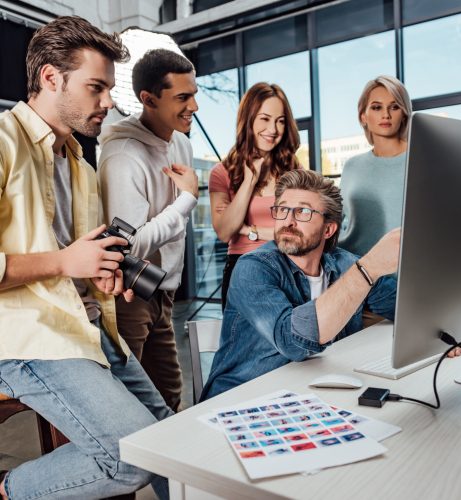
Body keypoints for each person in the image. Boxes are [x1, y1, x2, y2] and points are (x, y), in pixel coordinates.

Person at [0, 17, 171, 499]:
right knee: (128, 457)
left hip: (86, 325)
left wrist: (100, 274)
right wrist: (63, 263)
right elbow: (63, 261)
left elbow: (80, 261)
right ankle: (11, 491)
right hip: (25, 338)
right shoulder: (3, 143)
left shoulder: (78, 161)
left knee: (170, 443)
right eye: (96, 87)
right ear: (51, 78)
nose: (109, 102)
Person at [201, 169, 399, 400]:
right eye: (282, 209)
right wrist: (368, 270)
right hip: (241, 400)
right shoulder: (252, 268)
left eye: (303, 211)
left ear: (328, 229)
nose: (288, 221)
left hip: (311, 394)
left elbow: (404, 307)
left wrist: (441, 337)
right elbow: (292, 341)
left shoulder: (345, 264)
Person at [98, 49, 199, 412]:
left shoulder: (182, 143)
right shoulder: (124, 154)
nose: (194, 107)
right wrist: (187, 199)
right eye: (182, 97)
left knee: (171, 397)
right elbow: (129, 245)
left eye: (194, 94)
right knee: (130, 403)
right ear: (148, 99)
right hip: (130, 294)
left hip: (164, 292)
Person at [209, 82, 301, 309]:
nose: (273, 129)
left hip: (289, 266)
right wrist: (249, 181)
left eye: (280, 121)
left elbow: (298, 233)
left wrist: (250, 231)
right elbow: (224, 231)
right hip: (243, 267)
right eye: (265, 118)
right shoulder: (221, 173)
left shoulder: (294, 172)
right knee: (242, 343)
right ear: (248, 119)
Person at [339, 75, 412, 257]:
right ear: (363, 116)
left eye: (394, 107)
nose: (385, 114)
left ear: (403, 114)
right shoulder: (352, 166)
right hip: (356, 269)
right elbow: (339, 220)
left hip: (407, 269)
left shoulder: (420, 159)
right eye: (377, 107)